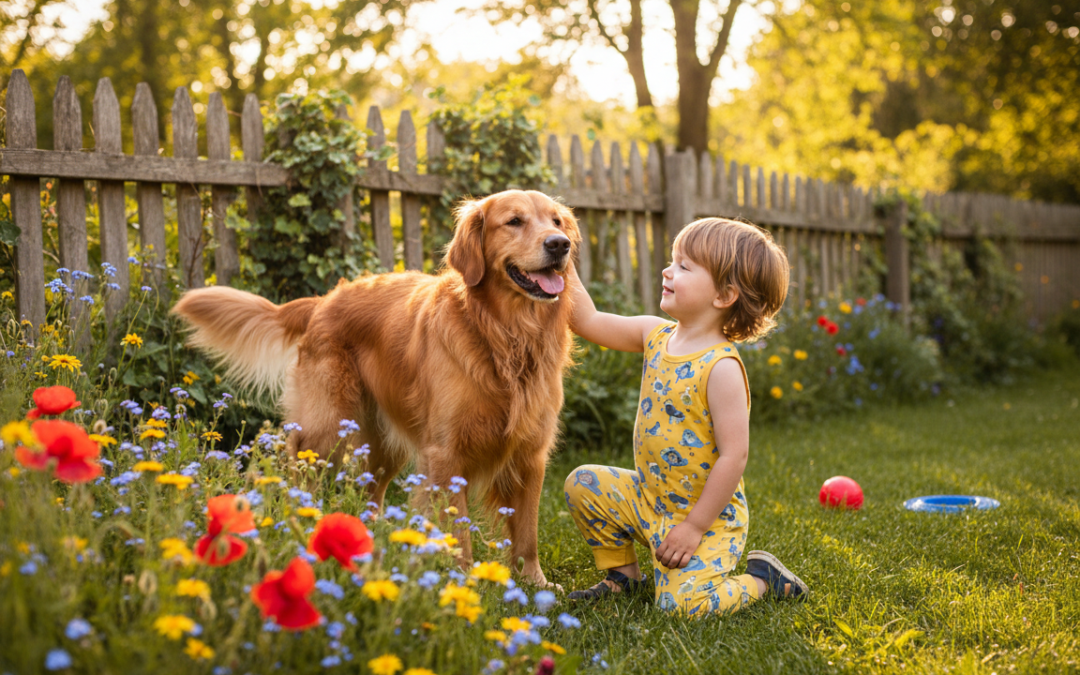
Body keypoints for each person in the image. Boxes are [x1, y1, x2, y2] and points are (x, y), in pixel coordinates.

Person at [563, 217, 807, 616]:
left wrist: (693, 527)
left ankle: (763, 580)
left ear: (725, 294)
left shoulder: (722, 367)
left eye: (683, 266)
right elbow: (587, 320)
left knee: (683, 608)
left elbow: (734, 457)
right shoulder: (654, 334)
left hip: (707, 520)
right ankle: (624, 577)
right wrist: (563, 257)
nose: (667, 270)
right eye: (672, 261)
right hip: (649, 499)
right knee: (583, 483)